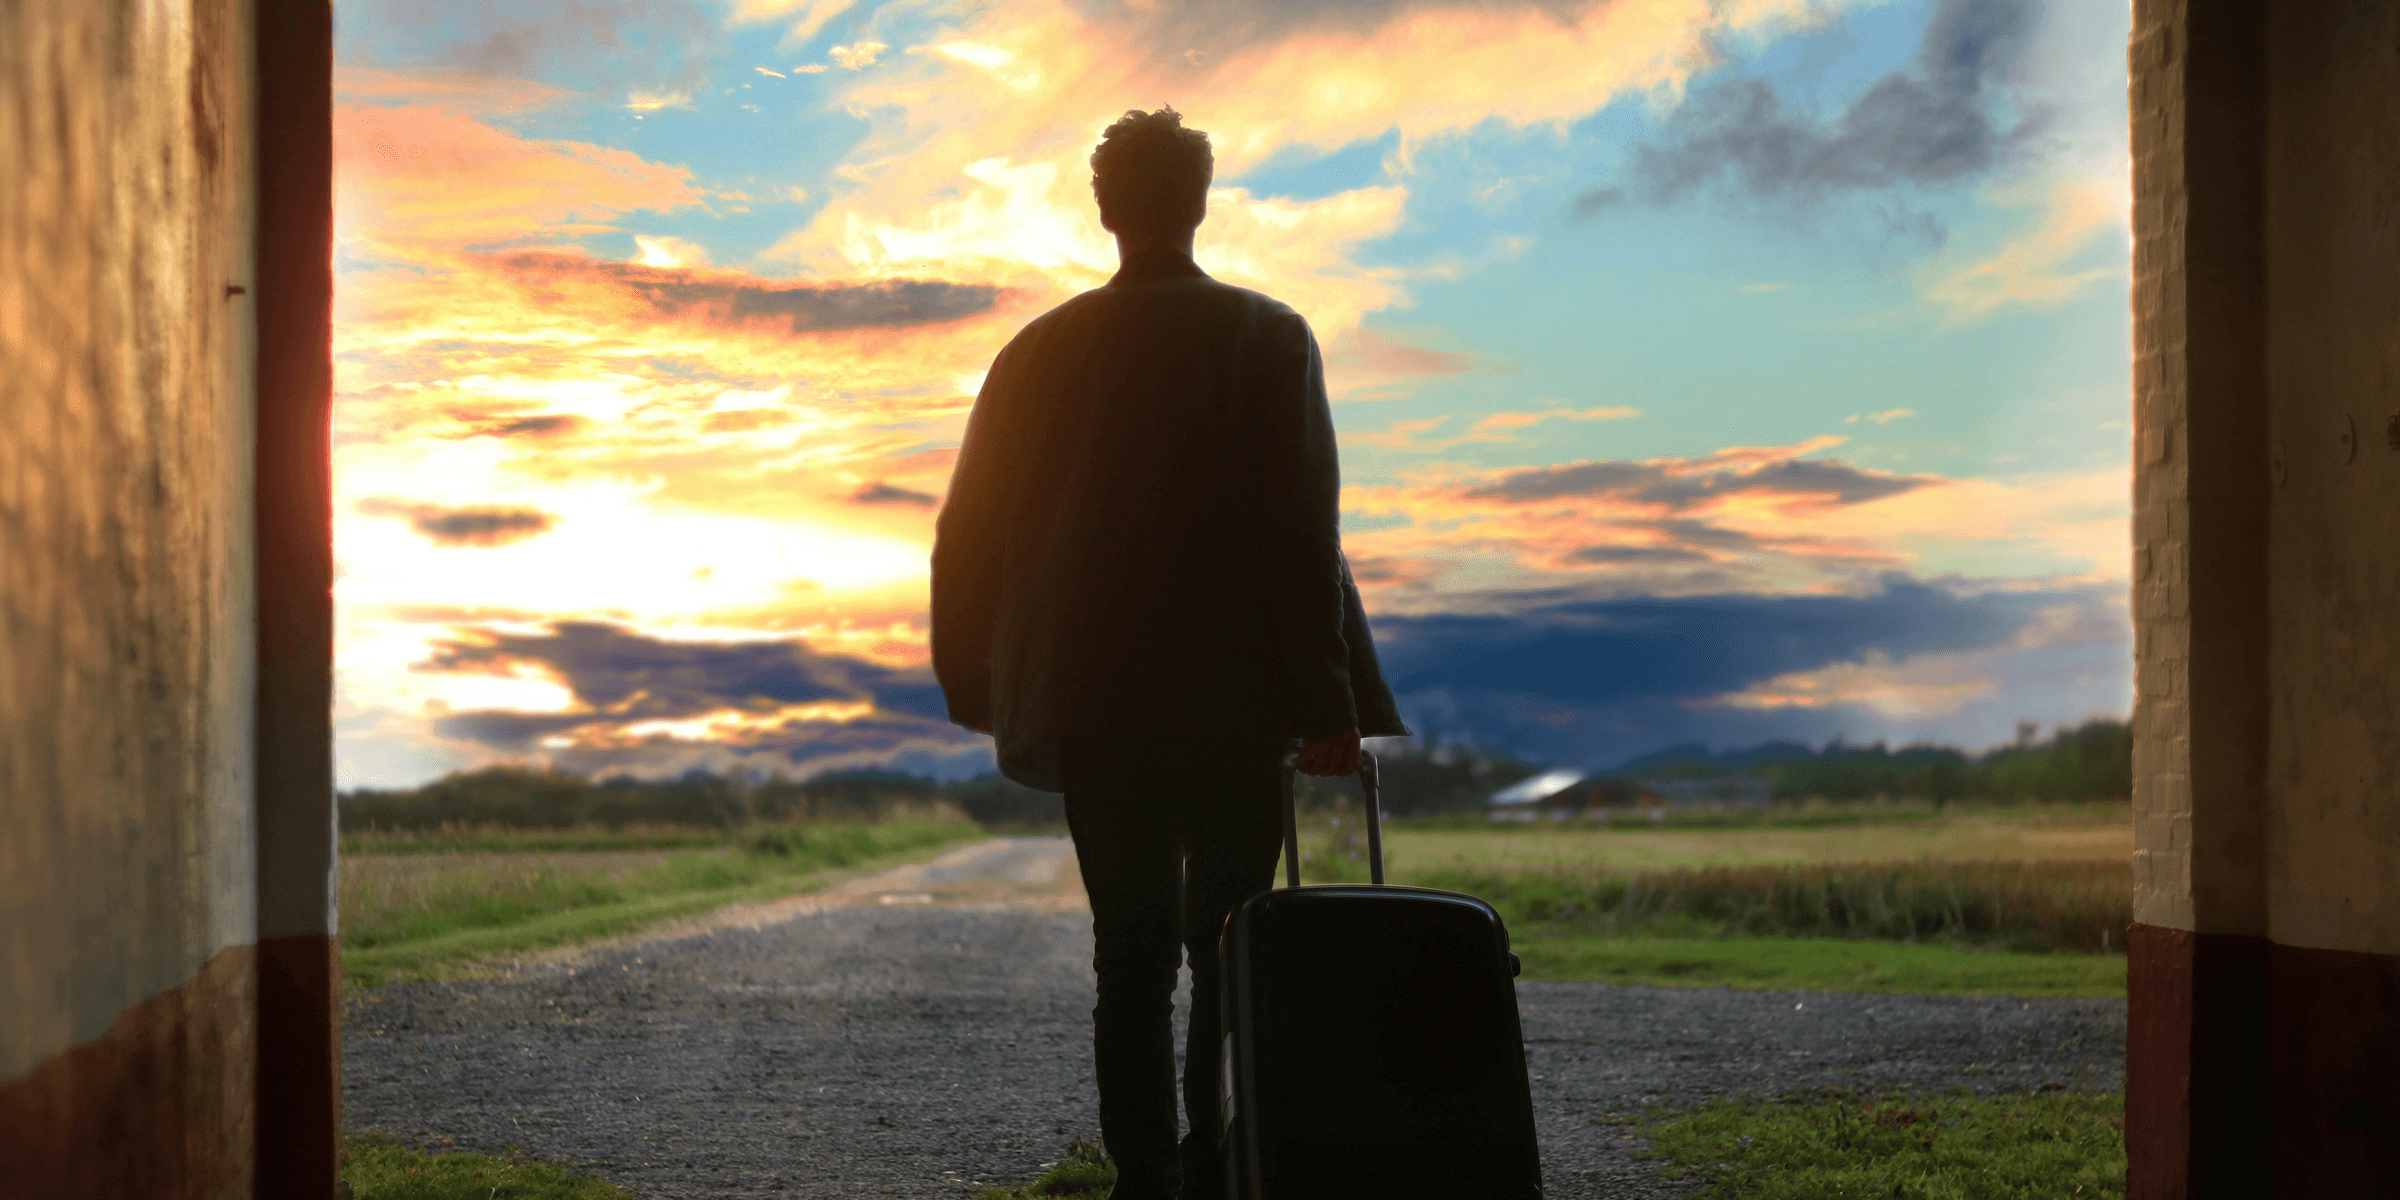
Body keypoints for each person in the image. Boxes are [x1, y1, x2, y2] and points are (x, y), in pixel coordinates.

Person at [929, 107, 1408, 1199]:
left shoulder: (1034, 351)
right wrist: (1327, 699)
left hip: (1094, 699)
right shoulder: (1267, 334)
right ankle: (1225, 1157)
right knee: (1232, 941)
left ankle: (1143, 1174)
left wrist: (977, 681)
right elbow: (1303, 530)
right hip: (1240, 696)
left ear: (1105, 209)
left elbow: (972, 528)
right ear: (1200, 201)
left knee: (1129, 949)